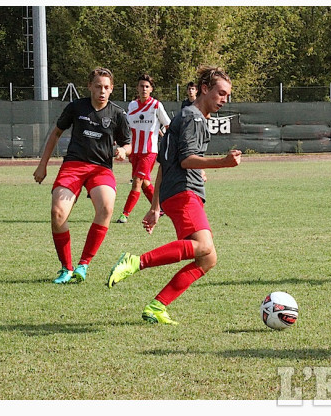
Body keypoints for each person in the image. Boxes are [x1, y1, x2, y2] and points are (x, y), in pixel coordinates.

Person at [107, 65, 242, 325]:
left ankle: (157, 306)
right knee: (204, 248)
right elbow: (185, 161)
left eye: (227, 95)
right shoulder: (193, 117)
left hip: (176, 191)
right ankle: (135, 262)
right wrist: (222, 163)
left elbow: (164, 164)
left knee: (207, 258)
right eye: (221, 93)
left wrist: (155, 206)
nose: (224, 100)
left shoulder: (191, 116)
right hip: (184, 191)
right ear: (205, 89)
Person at [33, 67, 131, 284]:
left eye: (106, 87)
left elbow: (128, 143)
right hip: (74, 166)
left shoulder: (117, 114)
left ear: (112, 89)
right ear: (89, 87)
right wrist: (43, 165)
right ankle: (66, 268)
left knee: (106, 207)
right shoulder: (76, 107)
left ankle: (83, 264)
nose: (102, 91)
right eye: (98, 87)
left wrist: (124, 150)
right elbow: (56, 133)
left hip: (101, 169)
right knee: (57, 213)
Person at [116, 74, 171, 223]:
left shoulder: (156, 105)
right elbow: (127, 127)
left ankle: (125, 214)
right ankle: (161, 208)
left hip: (149, 151)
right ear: (137, 88)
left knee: (137, 182)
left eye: (147, 86)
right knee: (145, 182)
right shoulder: (132, 105)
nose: (144, 89)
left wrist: (168, 140)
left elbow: (168, 125)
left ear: (151, 89)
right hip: (135, 151)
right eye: (141, 86)